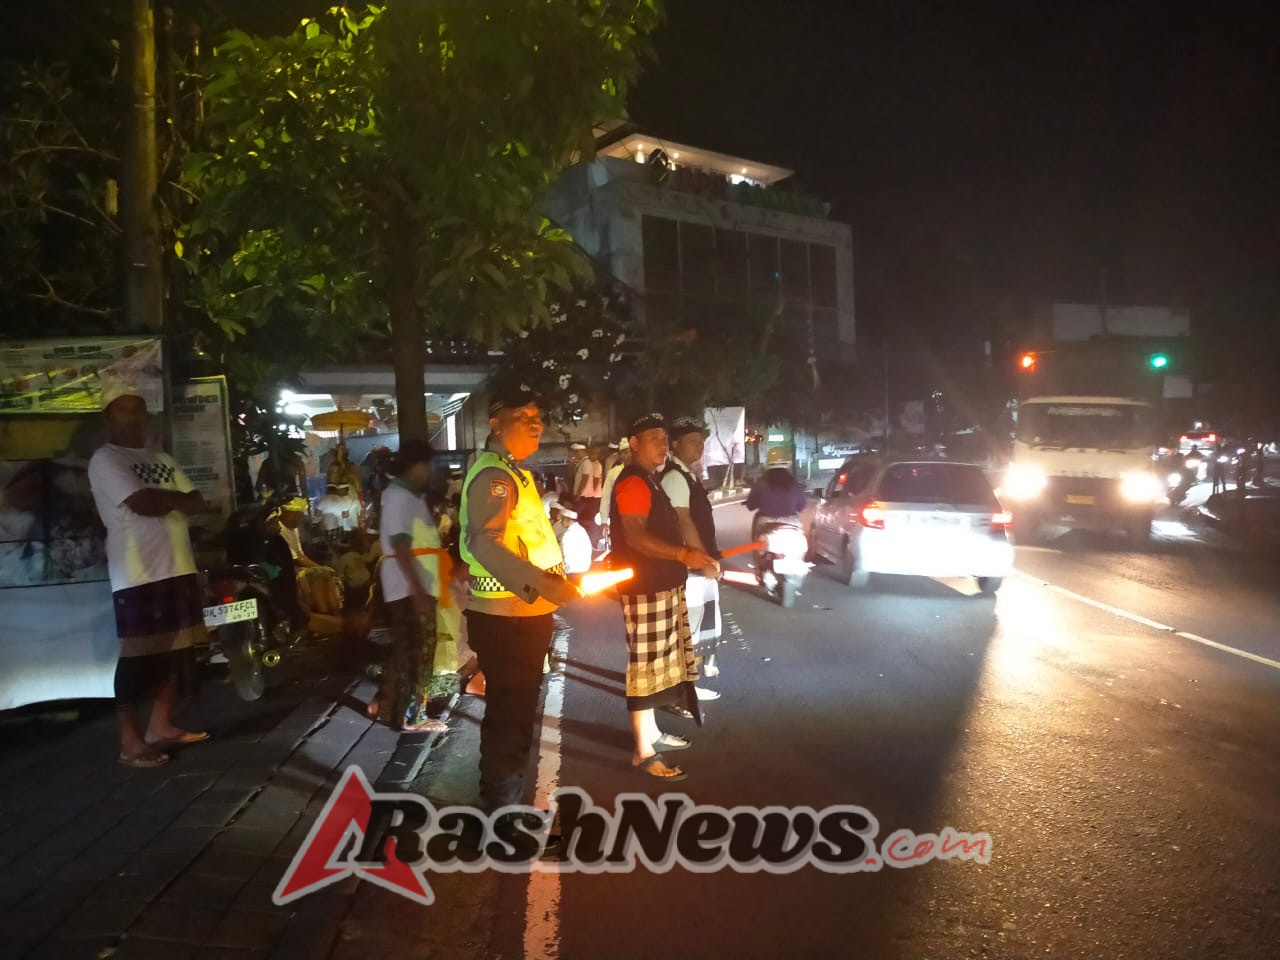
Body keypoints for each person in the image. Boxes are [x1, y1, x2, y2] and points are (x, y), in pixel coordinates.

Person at [460, 385, 581, 812]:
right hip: (508, 617)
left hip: (520, 614)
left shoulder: (511, 472)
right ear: (495, 424)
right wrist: (543, 584)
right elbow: (484, 544)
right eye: (522, 416)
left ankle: (505, 807)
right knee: (509, 720)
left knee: (514, 716)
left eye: (538, 416)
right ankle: (501, 817)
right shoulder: (495, 476)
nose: (535, 423)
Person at [88, 382, 210, 768]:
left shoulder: (160, 457)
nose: (133, 416)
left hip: (178, 566)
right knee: (138, 658)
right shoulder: (105, 460)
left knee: (175, 652)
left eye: (138, 408)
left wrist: (169, 501)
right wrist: (175, 501)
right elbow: (144, 504)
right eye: (124, 409)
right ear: (109, 416)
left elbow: (198, 502)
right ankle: (129, 741)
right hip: (139, 574)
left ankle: (162, 725)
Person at [611, 413, 717, 782]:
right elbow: (636, 537)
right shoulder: (634, 482)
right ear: (634, 444)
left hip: (661, 586)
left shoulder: (651, 480)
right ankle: (642, 751)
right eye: (652, 437)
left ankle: (652, 732)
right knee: (646, 666)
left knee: (661, 665)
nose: (661, 443)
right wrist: (683, 555)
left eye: (663, 436)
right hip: (646, 588)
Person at [371, 440, 449, 734]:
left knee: (405, 650)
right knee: (419, 651)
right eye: (428, 466)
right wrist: (417, 590)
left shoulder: (408, 495)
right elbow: (400, 544)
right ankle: (411, 716)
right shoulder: (398, 496)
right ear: (417, 465)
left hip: (415, 583)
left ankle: (388, 707)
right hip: (408, 586)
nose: (430, 472)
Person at [660, 416, 725, 693]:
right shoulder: (675, 477)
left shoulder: (687, 474)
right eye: (692, 441)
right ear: (674, 445)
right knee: (689, 632)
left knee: (695, 630)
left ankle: (687, 687)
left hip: (696, 567)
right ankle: (681, 692)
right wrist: (704, 561)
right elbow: (684, 521)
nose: (699, 446)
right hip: (689, 569)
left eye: (701, 441)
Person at [275, 498, 343, 615]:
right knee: (317, 575)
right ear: (287, 513)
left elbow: (301, 554)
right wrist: (319, 569)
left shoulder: (293, 528)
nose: (298, 520)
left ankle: (333, 611)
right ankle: (323, 612)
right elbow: (295, 559)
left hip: (296, 565)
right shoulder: (280, 530)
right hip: (287, 569)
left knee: (327, 574)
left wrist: (322, 569)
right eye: (296, 517)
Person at [596, 437, 630, 558]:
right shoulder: (614, 473)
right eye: (625, 452)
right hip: (619, 518)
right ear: (620, 455)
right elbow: (606, 497)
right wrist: (604, 521)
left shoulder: (643, 471)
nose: (629, 455)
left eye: (631, 451)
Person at [547, 496, 593, 575]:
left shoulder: (568, 535)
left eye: (562, 519)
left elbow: (564, 558)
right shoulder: (581, 530)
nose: (561, 521)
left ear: (567, 519)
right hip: (585, 568)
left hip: (573, 571)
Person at [574, 444, 605, 546]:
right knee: (586, 519)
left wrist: (588, 493)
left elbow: (589, 479)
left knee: (587, 519)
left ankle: (591, 540)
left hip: (590, 496)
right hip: (590, 496)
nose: (592, 455)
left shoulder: (591, 464)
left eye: (577, 452)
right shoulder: (587, 463)